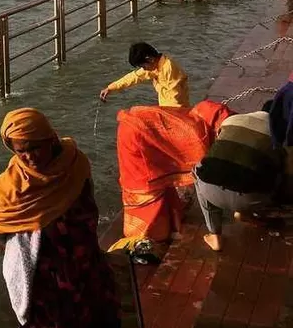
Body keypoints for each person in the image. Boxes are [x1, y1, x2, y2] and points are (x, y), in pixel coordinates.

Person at [0, 108, 120, 328]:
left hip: (82, 261)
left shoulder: (74, 163)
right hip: (45, 280)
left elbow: (88, 208)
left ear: (50, 139)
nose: (29, 156)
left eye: (35, 147)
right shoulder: (12, 183)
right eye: (21, 151)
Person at [109, 99, 232, 250]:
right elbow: (198, 164)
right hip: (135, 137)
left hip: (135, 125)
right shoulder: (198, 133)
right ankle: (151, 233)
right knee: (147, 185)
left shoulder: (192, 118)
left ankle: (160, 225)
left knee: (157, 176)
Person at [194, 101, 284, 251]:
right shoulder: (278, 132)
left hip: (211, 192)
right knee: (272, 170)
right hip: (253, 200)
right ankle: (245, 212)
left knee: (200, 169)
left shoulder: (232, 120)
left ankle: (215, 235)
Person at [99, 42, 190, 107]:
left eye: (143, 66)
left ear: (149, 59)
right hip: (167, 109)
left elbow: (175, 95)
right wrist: (110, 88)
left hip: (177, 111)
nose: (143, 69)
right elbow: (134, 77)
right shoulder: (154, 66)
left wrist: (167, 115)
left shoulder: (168, 68)